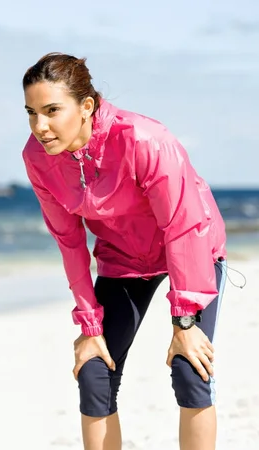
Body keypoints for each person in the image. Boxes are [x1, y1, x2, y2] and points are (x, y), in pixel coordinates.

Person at [21, 52, 227, 450]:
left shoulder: (143, 139)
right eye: (31, 112)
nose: (40, 127)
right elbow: (69, 240)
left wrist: (184, 323)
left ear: (86, 106)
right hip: (122, 259)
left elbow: (182, 226)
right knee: (94, 371)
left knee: (190, 368)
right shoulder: (38, 158)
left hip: (191, 248)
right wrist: (89, 326)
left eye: (51, 110)